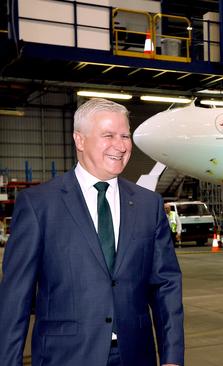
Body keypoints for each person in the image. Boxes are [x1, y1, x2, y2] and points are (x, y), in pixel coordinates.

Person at [0, 98, 184, 366]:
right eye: (108, 135)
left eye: (125, 136)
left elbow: (166, 285)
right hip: (66, 356)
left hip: (136, 354)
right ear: (80, 140)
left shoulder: (148, 204)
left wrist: (172, 357)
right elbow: (16, 295)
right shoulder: (39, 204)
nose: (120, 146)